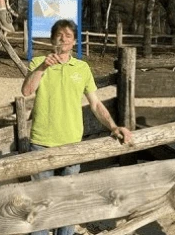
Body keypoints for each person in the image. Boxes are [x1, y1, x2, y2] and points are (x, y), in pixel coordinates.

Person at [21, 19, 133, 235]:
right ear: (52, 39)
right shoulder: (38, 62)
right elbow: (26, 91)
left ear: (75, 41)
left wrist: (113, 127)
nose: (63, 39)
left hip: (72, 144)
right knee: (40, 203)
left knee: (69, 202)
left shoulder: (82, 68)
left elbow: (96, 104)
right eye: (59, 35)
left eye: (68, 36)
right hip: (41, 142)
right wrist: (43, 67)